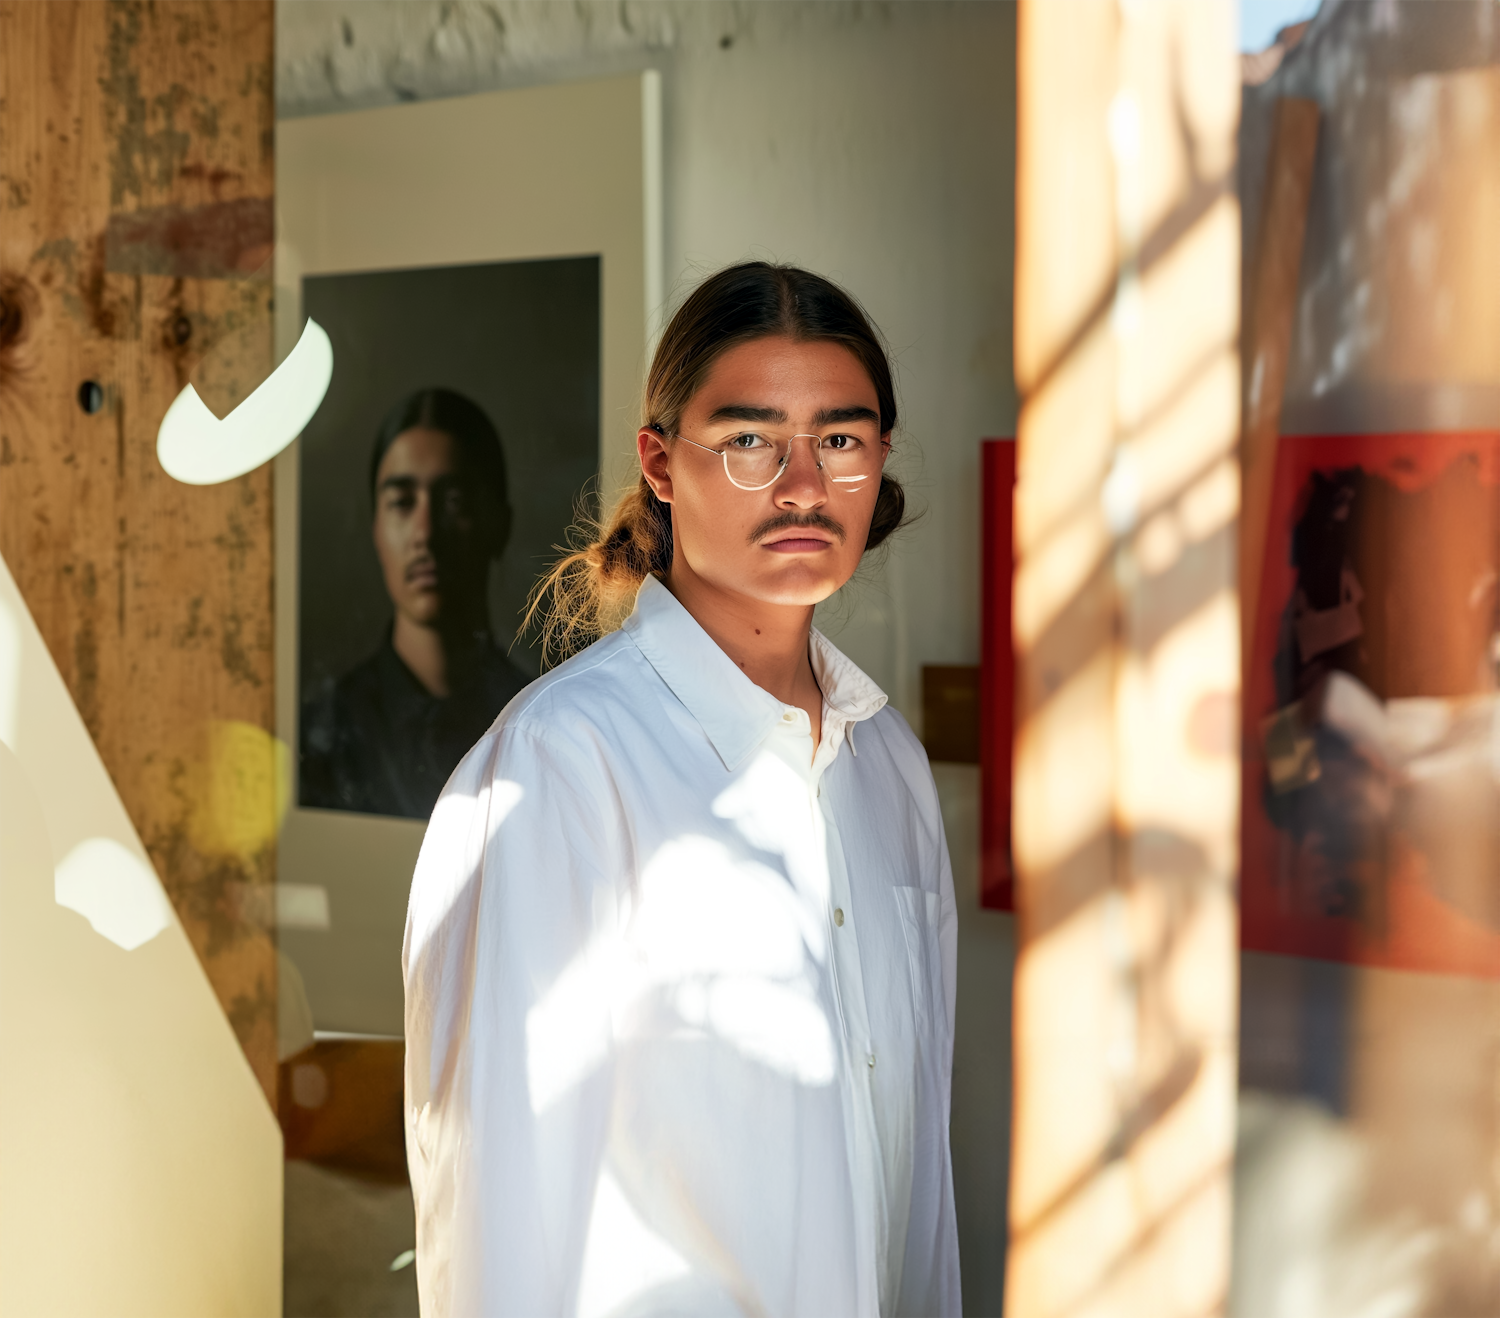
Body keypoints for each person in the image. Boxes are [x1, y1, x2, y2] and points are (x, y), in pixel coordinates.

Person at [404, 263, 960, 1316]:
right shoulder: (559, 765)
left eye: (840, 439)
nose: (802, 484)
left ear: (878, 456)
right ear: (661, 463)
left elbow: (917, 1182)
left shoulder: (889, 763)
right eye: (750, 440)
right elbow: (494, 1198)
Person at [300, 388, 530, 820]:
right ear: (375, 527)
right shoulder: (322, 735)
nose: (425, 532)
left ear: (498, 524)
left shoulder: (537, 725)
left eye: (453, 502)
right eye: (402, 503)